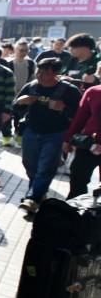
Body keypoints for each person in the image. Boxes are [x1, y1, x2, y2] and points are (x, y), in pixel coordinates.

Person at [7, 58, 78, 211]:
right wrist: (20, 102)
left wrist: (63, 109)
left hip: (55, 134)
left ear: (56, 73)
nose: (39, 75)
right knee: (29, 165)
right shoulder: (31, 86)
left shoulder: (69, 90)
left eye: (45, 72)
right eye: (38, 71)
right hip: (31, 132)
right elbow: (15, 107)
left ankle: (32, 198)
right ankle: (39, 192)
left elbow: (79, 114)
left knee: (46, 167)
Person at [63, 63, 101, 198]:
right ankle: (73, 213)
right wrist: (68, 139)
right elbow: (80, 118)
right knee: (77, 181)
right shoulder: (94, 92)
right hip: (89, 144)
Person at [2, 39, 36, 147]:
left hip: (24, 95)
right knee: (6, 117)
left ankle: (19, 135)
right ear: (15, 50)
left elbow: (33, 79)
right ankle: (6, 137)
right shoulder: (8, 63)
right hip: (9, 94)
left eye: (25, 50)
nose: (23, 52)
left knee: (22, 117)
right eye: (20, 50)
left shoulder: (30, 63)